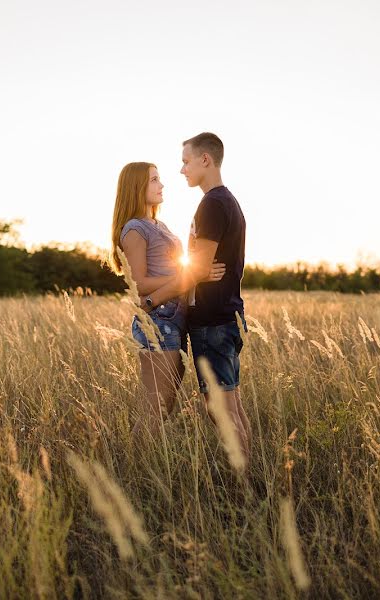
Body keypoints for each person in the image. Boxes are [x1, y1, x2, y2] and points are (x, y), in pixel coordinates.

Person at [141, 133, 251, 462]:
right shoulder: (222, 201)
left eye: (186, 161)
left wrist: (153, 298)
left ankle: (244, 487)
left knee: (222, 412)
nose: (181, 170)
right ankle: (248, 480)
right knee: (232, 408)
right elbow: (200, 269)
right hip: (223, 317)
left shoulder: (214, 204)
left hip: (213, 321)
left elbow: (201, 267)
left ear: (206, 160)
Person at [109, 162, 225, 429]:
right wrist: (192, 276)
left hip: (173, 317)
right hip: (157, 320)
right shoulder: (135, 228)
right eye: (154, 180)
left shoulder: (157, 224)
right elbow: (139, 283)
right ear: (136, 186)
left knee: (165, 406)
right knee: (155, 409)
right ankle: (131, 466)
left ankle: (142, 461)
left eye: (159, 179)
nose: (161, 185)